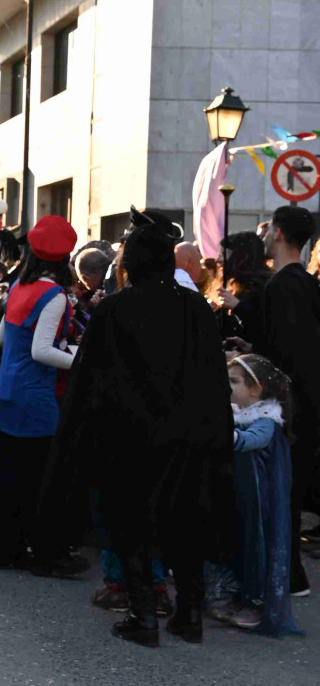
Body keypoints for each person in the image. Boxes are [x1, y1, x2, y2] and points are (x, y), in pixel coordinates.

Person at [41, 211, 234, 647]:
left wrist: (77, 441)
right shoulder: (197, 310)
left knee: (131, 525)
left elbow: (89, 380)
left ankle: (142, 613)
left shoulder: (115, 309)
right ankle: (188, 614)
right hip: (189, 438)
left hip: (129, 441)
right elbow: (212, 377)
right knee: (184, 525)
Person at [0, 215, 84, 577]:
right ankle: (47, 555)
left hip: (7, 390)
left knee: (10, 476)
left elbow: (2, 340)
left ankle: (5, 551)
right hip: (35, 394)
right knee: (42, 477)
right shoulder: (54, 296)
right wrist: (78, 358)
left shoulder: (17, 288)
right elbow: (43, 351)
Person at [205, 355, 300, 636]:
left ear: (256, 389)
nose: (228, 386)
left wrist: (224, 434)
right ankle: (234, 596)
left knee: (255, 549)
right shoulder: (236, 413)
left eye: (234, 381)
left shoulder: (265, 420)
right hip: (237, 497)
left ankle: (255, 603)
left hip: (259, 504)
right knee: (234, 545)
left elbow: (251, 441)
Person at [256, 204, 320, 598]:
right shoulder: (307, 283)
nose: (263, 235)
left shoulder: (282, 286)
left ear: (278, 233)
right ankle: (288, 573)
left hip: (289, 410)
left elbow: (287, 353)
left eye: (269, 230)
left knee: (280, 494)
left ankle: (285, 576)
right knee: (288, 494)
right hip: (305, 405)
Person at [210, 233, 269, 351]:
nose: (218, 259)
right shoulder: (231, 285)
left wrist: (238, 306)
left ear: (243, 258)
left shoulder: (263, 287)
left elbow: (264, 329)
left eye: (223, 254)